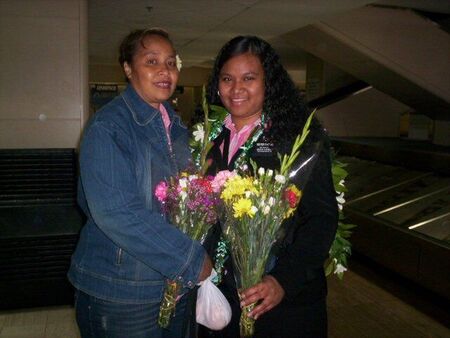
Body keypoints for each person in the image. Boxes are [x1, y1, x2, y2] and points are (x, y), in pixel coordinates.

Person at [68, 28, 212, 338]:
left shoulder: (177, 129)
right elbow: (117, 212)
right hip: (123, 293)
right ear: (128, 69)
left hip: (173, 285)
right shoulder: (109, 127)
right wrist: (190, 259)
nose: (165, 70)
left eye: (171, 62)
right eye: (152, 61)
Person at [198, 36, 338, 338]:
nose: (236, 89)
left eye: (249, 78)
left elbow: (322, 218)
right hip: (224, 297)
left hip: (284, 303)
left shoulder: (298, 139)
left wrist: (283, 280)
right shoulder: (209, 139)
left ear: (269, 82)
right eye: (227, 79)